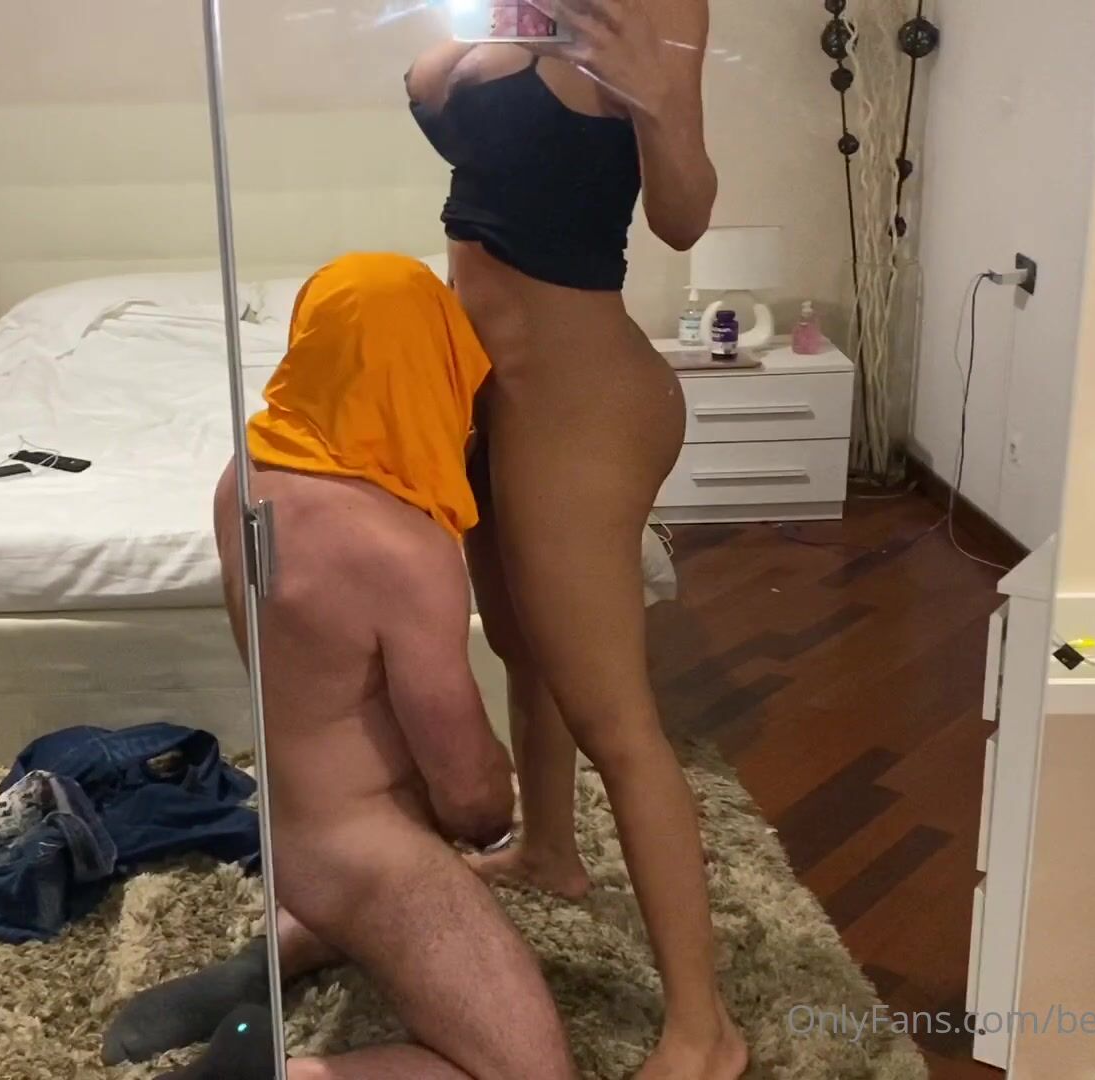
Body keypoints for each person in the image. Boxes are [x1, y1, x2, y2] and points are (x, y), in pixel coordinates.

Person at [103, 252, 576, 1080]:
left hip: (291, 829)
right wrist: (499, 810)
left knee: (377, 912)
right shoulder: (401, 548)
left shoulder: (242, 478)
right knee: (528, 1074)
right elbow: (467, 794)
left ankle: (275, 958)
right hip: (373, 858)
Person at [407, 0, 750, 1077]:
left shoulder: (653, 9)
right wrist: (472, 49)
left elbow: (683, 216)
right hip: (490, 395)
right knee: (521, 644)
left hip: (582, 404)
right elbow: (438, 96)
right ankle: (549, 851)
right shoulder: (513, 16)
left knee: (617, 720)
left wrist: (661, 112)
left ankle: (706, 1030)